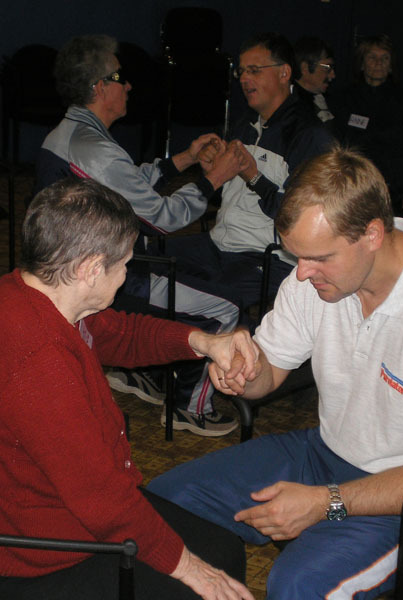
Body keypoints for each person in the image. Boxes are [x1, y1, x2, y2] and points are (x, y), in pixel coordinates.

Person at [148, 147, 403, 599]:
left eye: (317, 258)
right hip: (327, 453)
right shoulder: (318, 277)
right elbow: (270, 371)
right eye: (295, 256)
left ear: (372, 234)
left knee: (300, 585)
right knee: (165, 505)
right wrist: (244, 371)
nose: (301, 274)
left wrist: (326, 504)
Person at [0, 177, 256, 600]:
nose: (126, 275)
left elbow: (120, 334)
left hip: (51, 517)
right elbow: (103, 501)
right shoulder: (36, 358)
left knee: (222, 550)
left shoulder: (34, 294)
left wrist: (203, 342)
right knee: (208, 577)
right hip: (20, 560)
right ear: (90, 269)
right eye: (123, 264)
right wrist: (192, 570)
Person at [35, 34, 246, 436]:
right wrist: (213, 179)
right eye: (121, 77)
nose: (129, 85)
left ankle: (143, 373)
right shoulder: (94, 148)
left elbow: (128, 182)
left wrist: (185, 159)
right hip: (107, 280)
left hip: (74, 270)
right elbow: (162, 218)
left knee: (196, 272)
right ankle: (190, 409)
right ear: (100, 87)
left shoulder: (73, 134)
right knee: (226, 308)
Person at [148, 32, 334, 435]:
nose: (245, 79)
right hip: (221, 242)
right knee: (142, 260)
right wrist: (214, 166)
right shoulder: (246, 123)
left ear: (284, 73)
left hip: (269, 257)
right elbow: (229, 195)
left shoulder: (309, 136)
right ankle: (154, 370)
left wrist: (253, 175)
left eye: (254, 70)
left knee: (218, 302)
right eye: (242, 72)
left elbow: (301, 219)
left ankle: (189, 405)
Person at [332, 34, 403, 237]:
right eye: (372, 57)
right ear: (361, 64)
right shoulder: (343, 100)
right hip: (353, 185)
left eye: (384, 58)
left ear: (391, 66)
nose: (378, 63)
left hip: (394, 188)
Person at [292, 36, 336, 127]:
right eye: (327, 68)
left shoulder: (333, 101)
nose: (333, 75)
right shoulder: (290, 105)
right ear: (305, 68)